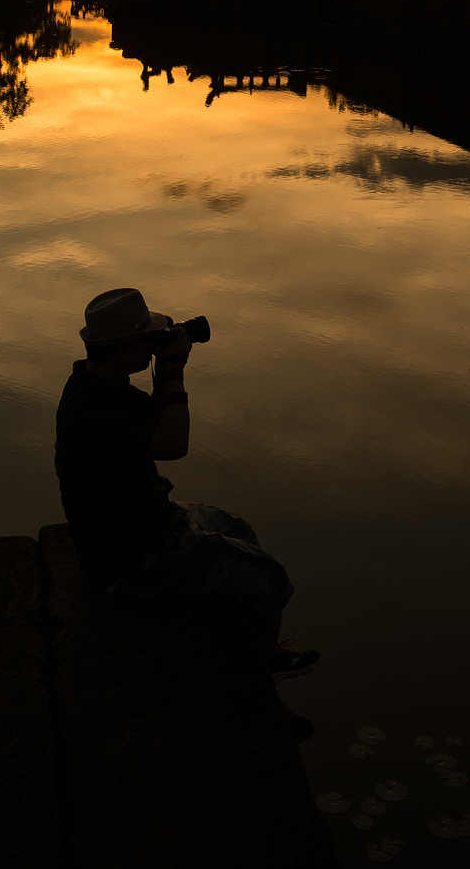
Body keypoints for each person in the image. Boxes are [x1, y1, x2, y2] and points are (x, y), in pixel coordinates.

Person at [55, 288, 321, 740]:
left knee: (236, 528)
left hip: (140, 519)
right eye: (149, 338)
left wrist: (165, 374)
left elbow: (160, 419)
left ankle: (258, 646)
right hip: (129, 551)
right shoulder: (92, 409)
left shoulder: (99, 383)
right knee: (269, 578)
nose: (158, 341)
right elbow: (173, 445)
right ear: (123, 349)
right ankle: (255, 693)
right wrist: (174, 368)